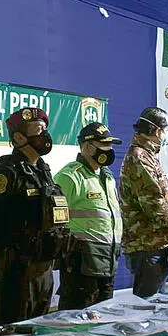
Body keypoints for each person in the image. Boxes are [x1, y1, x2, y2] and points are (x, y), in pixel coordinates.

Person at [0, 107, 71, 326]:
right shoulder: (5, 174)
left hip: (43, 270)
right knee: (10, 334)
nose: (45, 135)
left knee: (38, 331)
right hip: (14, 272)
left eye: (45, 129)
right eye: (38, 130)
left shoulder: (43, 171)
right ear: (19, 137)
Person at [120, 107, 168, 297]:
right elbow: (155, 205)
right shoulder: (139, 157)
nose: (167, 135)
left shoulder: (149, 156)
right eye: (166, 130)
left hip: (157, 244)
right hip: (147, 247)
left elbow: (164, 197)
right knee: (146, 309)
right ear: (156, 130)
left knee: (156, 307)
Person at [53, 123, 123, 309]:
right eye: (103, 145)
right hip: (81, 263)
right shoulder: (69, 177)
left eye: (110, 145)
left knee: (103, 319)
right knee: (76, 320)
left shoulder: (107, 177)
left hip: (108, 261)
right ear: (86, 147)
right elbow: (53, 221)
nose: (109, 150)